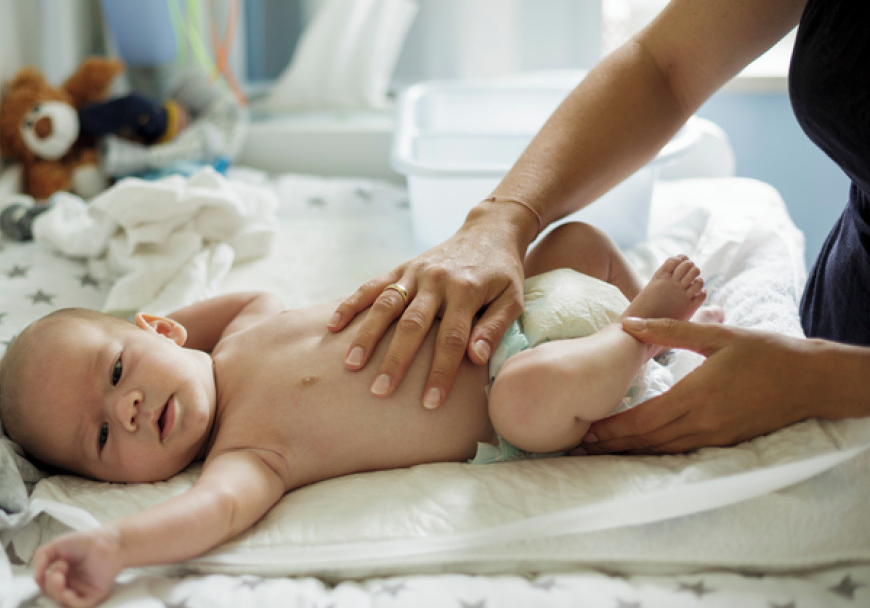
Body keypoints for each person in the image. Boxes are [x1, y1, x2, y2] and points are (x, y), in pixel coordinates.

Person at [0, 222, 710, 608]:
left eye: (118, 370)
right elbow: (208, 515)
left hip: (515, 306)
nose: (128, 406)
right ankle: (641, 332)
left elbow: (230, 303)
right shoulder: (248, 454)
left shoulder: (248, 324)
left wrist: (163, 334)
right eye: (101, 436)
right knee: (525, 406)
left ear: (162, 331)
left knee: (568, 242)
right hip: (524, 383)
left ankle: (623, 299)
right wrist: (116, 549)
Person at [327, 0, 870, 455]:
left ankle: (637, 334)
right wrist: (499, 220)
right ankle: (647, 333)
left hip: (827, 379)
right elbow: (664, 66)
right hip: (843, 316)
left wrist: (819, 379)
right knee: (575, 243)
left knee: (524, 399)